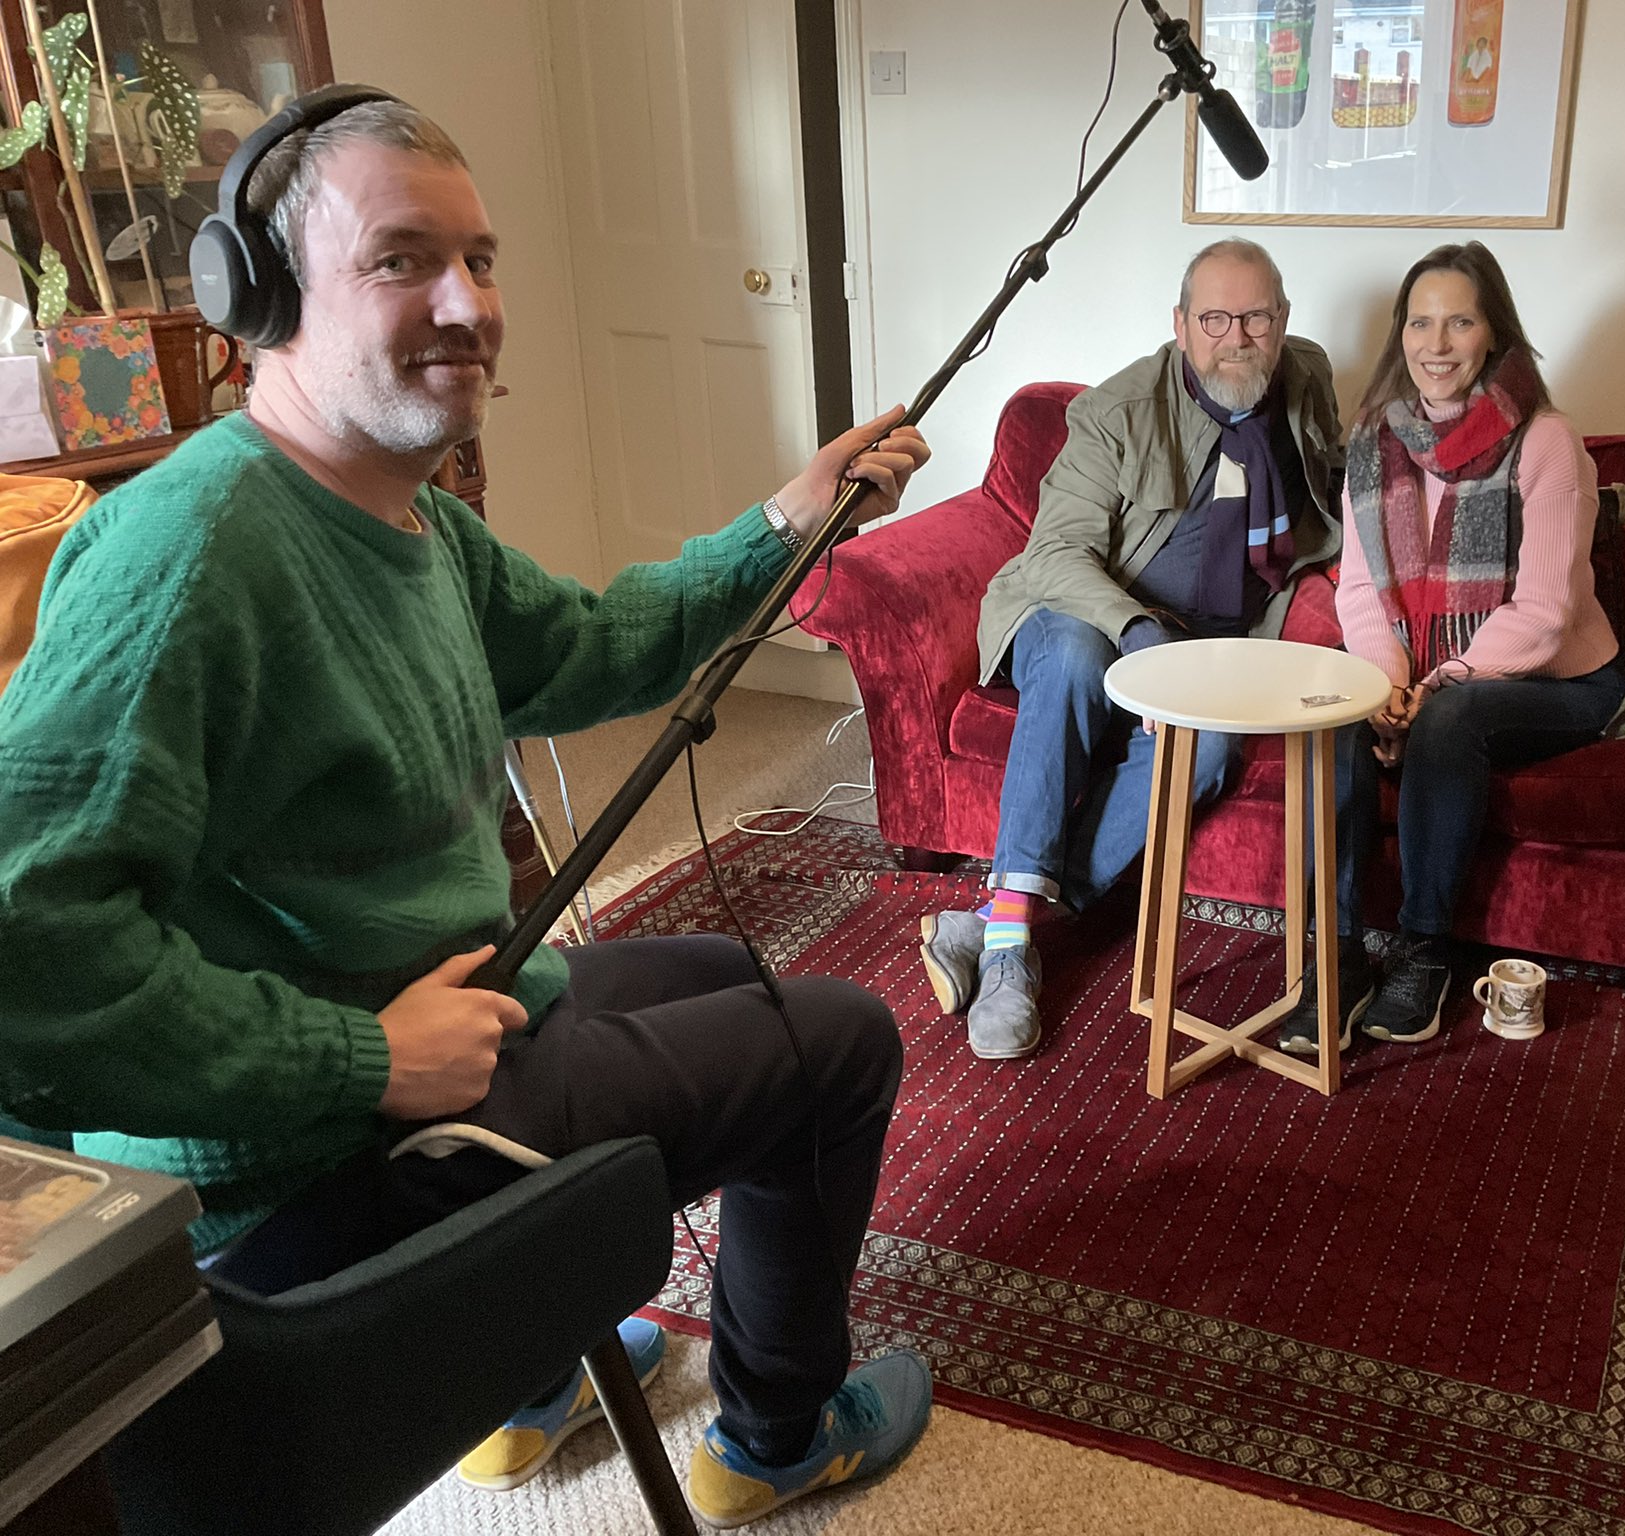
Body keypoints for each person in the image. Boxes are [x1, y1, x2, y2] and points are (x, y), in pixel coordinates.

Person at [0, 93, 934, 1529]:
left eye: (482, 259)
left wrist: (780, 519)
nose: (467, 304)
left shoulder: (404, 513)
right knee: (841, 1043)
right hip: (312, 1166)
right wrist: (359, 1059)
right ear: (263, 295)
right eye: (402, 259)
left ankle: (525, 1376)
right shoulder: (187, 556)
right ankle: (775, 1437)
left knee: (724, 973)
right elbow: (24, 961)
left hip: (437, 1024)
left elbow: (584, 648)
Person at [918, 239, 1344, 1060]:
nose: (1237, 337)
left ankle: (997, 919)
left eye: (1255, 317)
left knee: (1212, 746)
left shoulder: (1308, 380)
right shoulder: (1118, 412)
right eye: (1214, 318)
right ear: (1181, 326)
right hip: (1083, 617)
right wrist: (1138, 635)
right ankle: (1009, 961)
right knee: (1078, 657)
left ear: (1283, 322)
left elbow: (1335, 486)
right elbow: (1053, 556)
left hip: (1206, 644)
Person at [1288, 240, 1624, 1054]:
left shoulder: (1546, 440)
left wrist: (1431, 688)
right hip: (1424, 671)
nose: (1436, 345)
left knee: (1449, 722)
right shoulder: (1373, 441)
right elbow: (1361, 591)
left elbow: (1545, 613)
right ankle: (1331, 956)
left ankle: (1423, 950)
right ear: (1401, 334)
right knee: (1332, 715)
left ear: (1494, 334)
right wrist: (1382, 688)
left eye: (1460, 322)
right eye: (1421, 323)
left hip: (1560, 680)